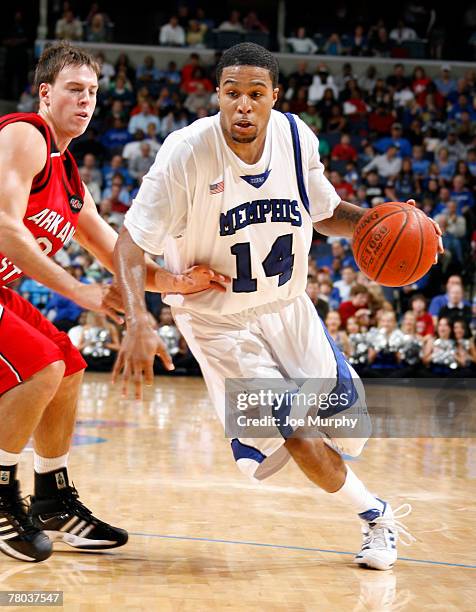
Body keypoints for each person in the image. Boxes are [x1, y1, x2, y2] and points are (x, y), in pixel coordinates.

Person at [114, 44, 443, 570]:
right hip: (217, 321)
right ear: (217, 95)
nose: (243, 105)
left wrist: (397, 227)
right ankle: (376, 516)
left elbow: (326, 213)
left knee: (347, 430)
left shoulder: (295, 137)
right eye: (232, 93)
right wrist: (138, 319)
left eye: (255, 94)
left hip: (289, 308)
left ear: (274, 97)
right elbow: (130, 244)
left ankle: (360, 488)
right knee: (287, 429)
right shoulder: (186, 152)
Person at [0, 41, 227, 563]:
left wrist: (180, 282)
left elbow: (115, 258)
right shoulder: (24, 134)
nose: (86, 100)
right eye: (74, 89)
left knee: (71, 363)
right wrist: (75, 290)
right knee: (42, 367)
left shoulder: (69, 177)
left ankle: (53, 498)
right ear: (45, 92)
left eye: (93, 92)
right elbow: (7, 228)